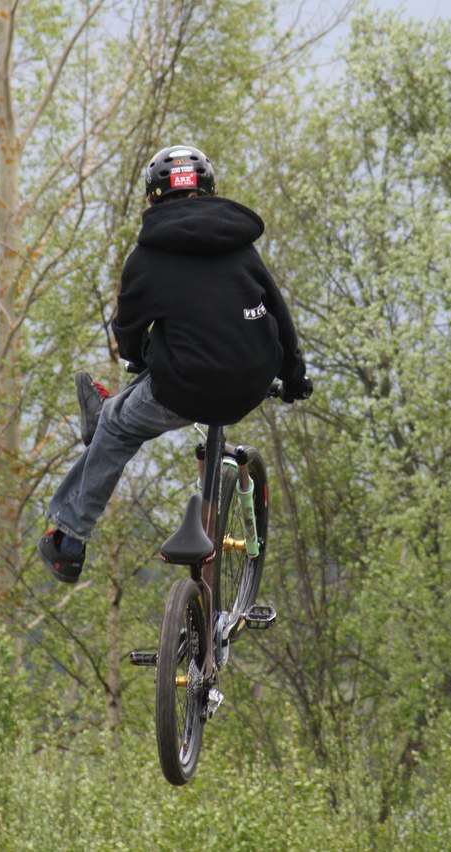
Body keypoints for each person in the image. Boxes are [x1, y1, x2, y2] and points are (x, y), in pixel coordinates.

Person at [38, 144, 312, 583]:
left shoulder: (147, 258)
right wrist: (295, 379)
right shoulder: (242, 247)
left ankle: (69, 541)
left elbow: (127, 332)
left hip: (185, 388)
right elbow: (279, 317)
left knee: (119, 426)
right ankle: (109, 411)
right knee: (167, 360)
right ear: (210, 190)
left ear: (152, 198)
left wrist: (138, 357)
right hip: (252, 378)